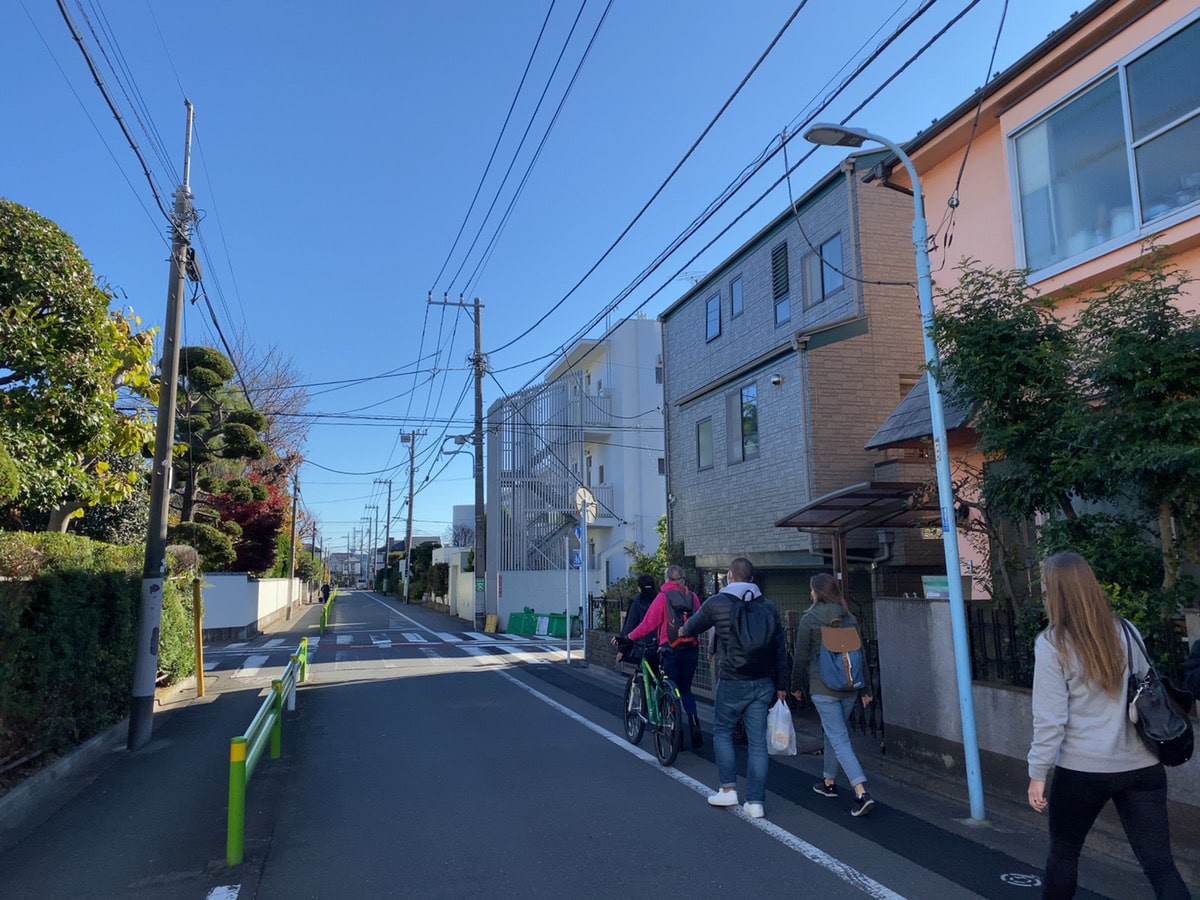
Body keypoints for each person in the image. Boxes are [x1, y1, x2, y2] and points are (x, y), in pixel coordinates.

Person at [1027, 551, 1190, 900]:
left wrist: (1037, 773)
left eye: (1045, 588)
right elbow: (1149, 691)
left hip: (1082, 769)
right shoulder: (1127, 631)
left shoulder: (1052, 644)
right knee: (1161, 867)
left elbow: (1050, 719)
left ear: (1057, 593)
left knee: (1064, 855)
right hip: (1143, 766)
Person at [679, 557, 789, 820]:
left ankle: (728, 788)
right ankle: (756, 802)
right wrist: (782, 685)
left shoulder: (717, 602)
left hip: (731, 680)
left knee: (722, 731)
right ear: (752, 579)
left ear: (729, 576)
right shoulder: (768, 607)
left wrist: (679, 630)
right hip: (763, 682)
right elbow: (780, 650)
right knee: (758, 743)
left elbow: (691, 627)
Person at [791, 572, 876, 817]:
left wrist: (796, 686)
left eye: (811, 590)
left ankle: (861, 792)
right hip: (849, 687)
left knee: (838, 737)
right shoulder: (849, 617)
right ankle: (829, 783)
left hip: (823, 688)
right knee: (832, 733)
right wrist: (866, 689)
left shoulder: (810, 619)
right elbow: (862, 655)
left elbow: (800, 657)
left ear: (816, 593)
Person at [624, 565, 704, 748]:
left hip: (670, 649)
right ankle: (694, 723)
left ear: (667, 579)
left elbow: (648, 624)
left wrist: (629, 637)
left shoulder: (662, 597)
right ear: (682, 579)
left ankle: (676, 733)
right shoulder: (693, 597)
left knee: (667, 689)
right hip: (691, 648)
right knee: (686, 690)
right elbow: (700, 620)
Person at [611, 575, 658, 669]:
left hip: (642, 646)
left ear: (639, 588)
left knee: (645, 675)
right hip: (660, 645)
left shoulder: (636, 604)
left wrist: (622, 650)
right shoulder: (659, 601)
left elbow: (630, 627)